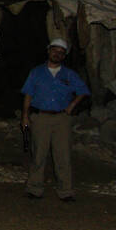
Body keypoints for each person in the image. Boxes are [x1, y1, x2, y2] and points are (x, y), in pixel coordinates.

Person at [20, 38, 90, 201]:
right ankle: (34, 188)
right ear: (48, 51)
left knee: (63, 155)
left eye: (61, 52)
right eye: (55, 50)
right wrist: (25, 115)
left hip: (62, 119)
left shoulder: (69, 74)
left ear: (64, 56)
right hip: (40, 117)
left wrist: (71, 106)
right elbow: (28, 94)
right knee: (39, 153)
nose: (57, 54)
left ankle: (65, 190)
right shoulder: (36, 72)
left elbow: (83, 91)